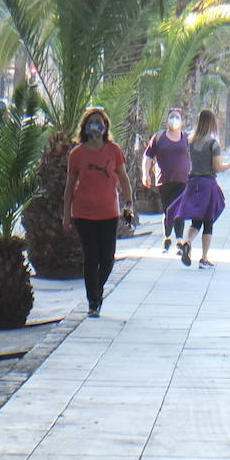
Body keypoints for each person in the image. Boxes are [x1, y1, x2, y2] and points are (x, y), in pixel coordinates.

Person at [61, 107, 134, 318]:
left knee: (108, 259)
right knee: (91, 257)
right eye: (92, 121)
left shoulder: (113, 150)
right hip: (83, 214)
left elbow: (123, 178)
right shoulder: (77, 154)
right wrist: (66, 215)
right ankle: (93, 301)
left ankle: (97, 291)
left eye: (100, 121)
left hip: (109, 213)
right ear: (85, 126)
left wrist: (129, 203)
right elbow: (69, 186)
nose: (96, 125)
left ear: (105, 126)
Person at [164, 108, 230, 269]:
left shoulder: (191, 141)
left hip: (193, 183)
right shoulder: (213, 144)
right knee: (208, 222)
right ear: (212, 123)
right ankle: (204, 258)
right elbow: (218, 168)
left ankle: (188, 243)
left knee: (196, 220)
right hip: (207, 184)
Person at [144, 108, 191, 253]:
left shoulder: (186, 138)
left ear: (182, 122)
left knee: (179, 210)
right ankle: (167, 237)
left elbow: (193, 156)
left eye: (177, 117)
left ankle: (179, 241)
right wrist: (145, 174)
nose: (174, 119)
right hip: (163, 180)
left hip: (182, 180)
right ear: (167, 120)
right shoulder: (159, 137)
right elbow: (148, 156)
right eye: (172, 117)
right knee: (168, 209)